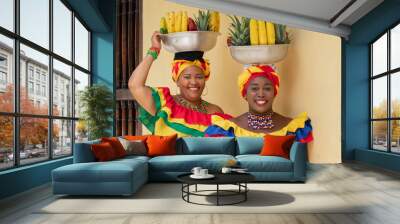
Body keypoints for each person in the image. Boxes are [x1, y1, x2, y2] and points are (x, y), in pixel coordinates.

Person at [128, 31, 231, 137]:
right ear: (177, 80)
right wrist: (154, 49)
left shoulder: (215, 111)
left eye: (199, 77)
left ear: (205, 78)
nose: (194, 82)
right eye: (187, 77)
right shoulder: (165, 105)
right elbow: (135, 85)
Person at [205, 65, 313, 143]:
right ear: (245, 94)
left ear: (274, 93)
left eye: (267, 88)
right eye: (254, 88)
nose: (261, 94)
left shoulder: (294, 128)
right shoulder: (227, 130)